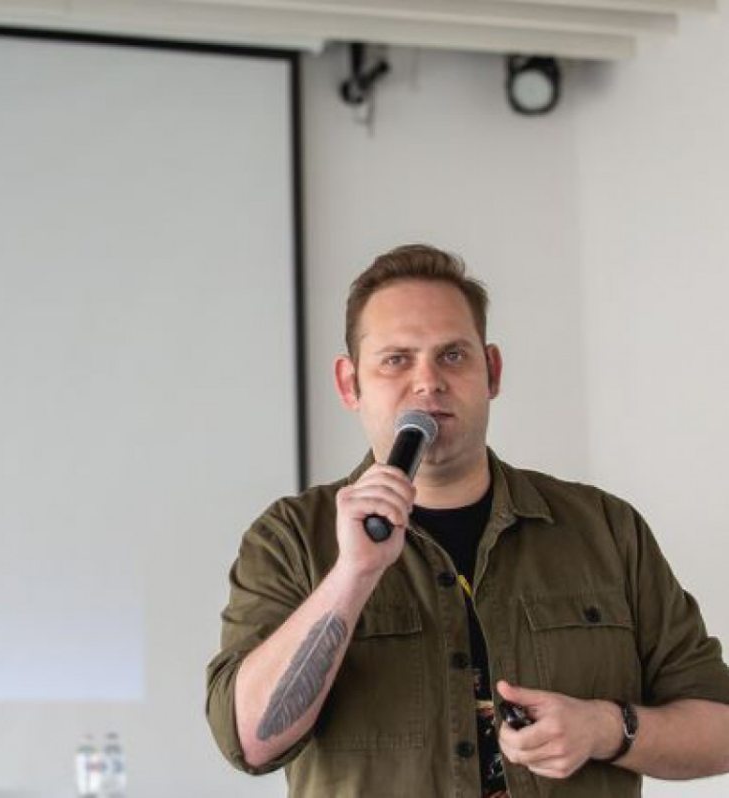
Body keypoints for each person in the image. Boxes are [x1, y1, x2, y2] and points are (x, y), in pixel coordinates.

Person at [206, 244, 729, 797]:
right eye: (396, 360)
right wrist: (352, 576)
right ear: (349, 384)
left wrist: (605, 729)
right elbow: (249, 742)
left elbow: (719, 729)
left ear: (492, 371)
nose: (428, 382)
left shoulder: (605, 529)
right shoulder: (289, 539)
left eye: (452, 355)